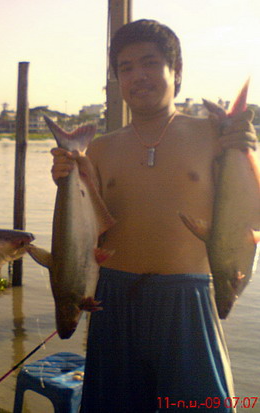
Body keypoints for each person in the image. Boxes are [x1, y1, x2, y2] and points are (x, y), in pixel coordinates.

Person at [51, 19, 257, 412]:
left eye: (150, 63)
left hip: (188, 300)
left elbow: (251, 212)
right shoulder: (99, 149)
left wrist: (248, 148)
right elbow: (91, 233)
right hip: (113, 301)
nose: (138, 76)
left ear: (175, 71)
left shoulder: (215, 135)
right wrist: (67, 179)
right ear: (116, 81)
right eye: (126, 68)